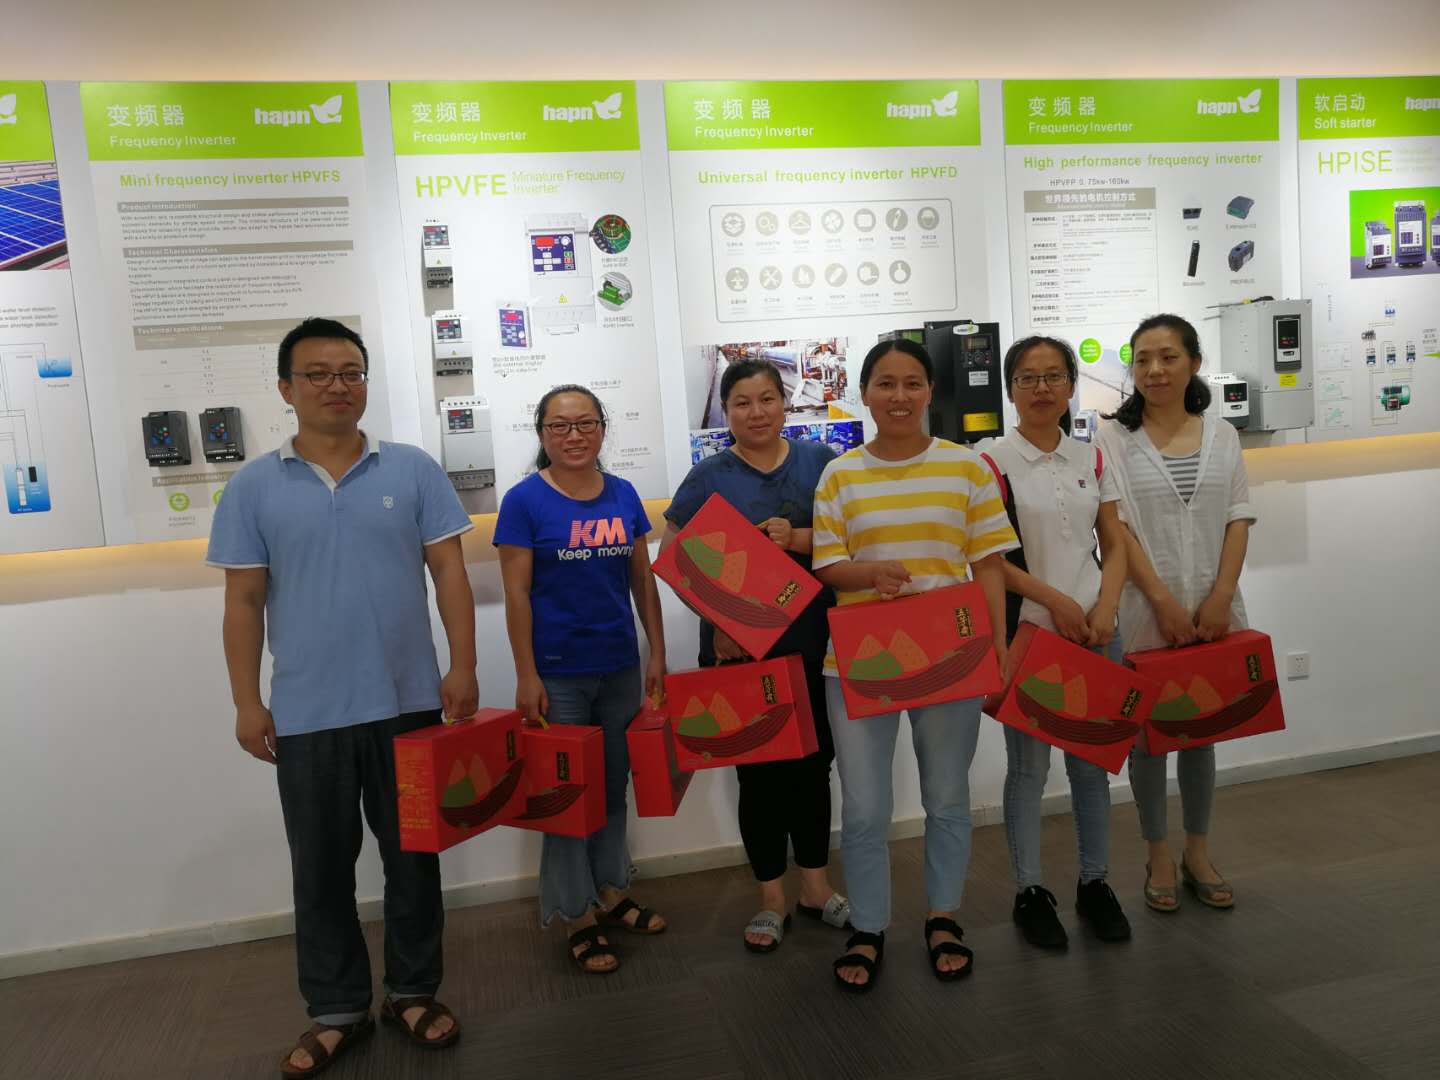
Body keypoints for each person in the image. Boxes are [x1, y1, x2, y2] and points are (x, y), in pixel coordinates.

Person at [208, 318, 473, 1078]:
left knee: (413, 860)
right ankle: (336, 1009)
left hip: (409, 704)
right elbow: (243, 602)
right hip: (308, 714)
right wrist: (246, 701)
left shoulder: (412, 469)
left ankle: (413, 991)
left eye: (351, 372)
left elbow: (449, 573)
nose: (337, 386)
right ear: (286, 388)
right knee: (320, 868)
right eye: (318, 374)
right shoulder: (254, 486)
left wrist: (462, 665)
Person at [811, 338, 1018, 993]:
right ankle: (868, 925)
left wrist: (997, 647)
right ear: (864, 394)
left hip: (952, 652)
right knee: (864, 807)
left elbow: (989, 565)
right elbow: (827, 565)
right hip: (858, 660)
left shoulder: (968, 468)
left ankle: (942, 916)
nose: (898, 396)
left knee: (947, 796)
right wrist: (871, 574)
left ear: (930, 391)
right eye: (885, 384)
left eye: (911, 383)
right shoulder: (839, 474)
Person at [660, 358, 850, 954]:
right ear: (726, 412)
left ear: (784, 402)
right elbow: (674, 557)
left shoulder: (820, 463)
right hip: (738, 650)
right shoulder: (708, 477)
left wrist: (798, 540)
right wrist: (720, 622)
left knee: (814, 767)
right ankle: (772, 897)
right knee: (759, 774)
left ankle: (815, 886)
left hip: (815, 642)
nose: (757, 412)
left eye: (767, 399)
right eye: (742, 403)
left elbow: (850, 539)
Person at [494, 384, 668, 974]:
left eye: (586, 423)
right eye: (560, 426)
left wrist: (656, 652)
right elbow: (516, 595)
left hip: (619, 668)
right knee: (567, 799)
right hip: (558, 676)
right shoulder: (524, 501)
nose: (574, 435)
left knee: (614, 787)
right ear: (542, 434)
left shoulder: (623, 494)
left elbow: (642, 581)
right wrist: (526, 674)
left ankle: (612, 889)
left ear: (602, 428)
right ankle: (575, 913)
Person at [1097, 314, 1257, 913]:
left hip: (1213, 608)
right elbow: (1115, 527)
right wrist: (1162, 601)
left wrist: (1220, 596)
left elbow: (1238, 517)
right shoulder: (1113, 438)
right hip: (1146, 608)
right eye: (1142, 359)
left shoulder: (1223, 434)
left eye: (1167, 356)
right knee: (1150, 739)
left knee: (1202, 733)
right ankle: (1158, 854)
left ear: (1193, 362)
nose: (1154, 370)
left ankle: (1198, 851)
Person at [978, 336, 1132, 949]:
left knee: (1092, 767)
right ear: (1010, 389)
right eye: (1027, 377)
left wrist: (1106, 606)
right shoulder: (990, 461)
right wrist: (1057, 603)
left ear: (1071, 385)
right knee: (1029, 770)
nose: (1041, 388)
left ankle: (1095, 883)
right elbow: (988, 558)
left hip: (1097, 631)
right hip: (1032, 633)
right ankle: (1030, 891)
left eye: (1053, 376)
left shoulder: (1091, 456)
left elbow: (1114, 541)